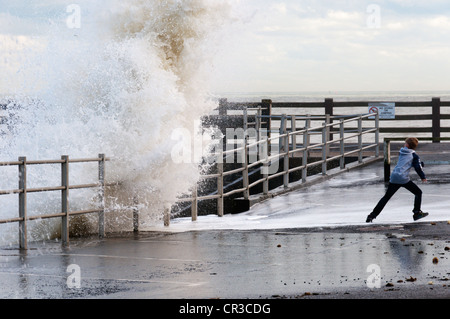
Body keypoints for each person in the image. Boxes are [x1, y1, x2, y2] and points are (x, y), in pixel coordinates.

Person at [366, 137, 428, 223]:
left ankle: (372, 216)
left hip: (394, 176)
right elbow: (417, 167)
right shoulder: (414, 155)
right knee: (418, 192)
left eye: (405, 143)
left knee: (386, 197)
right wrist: (423, 177)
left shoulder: (402, 152)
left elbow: (406, 163)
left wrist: (419, 163)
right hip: (403, 178)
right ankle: (416, 213)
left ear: (407, 145)